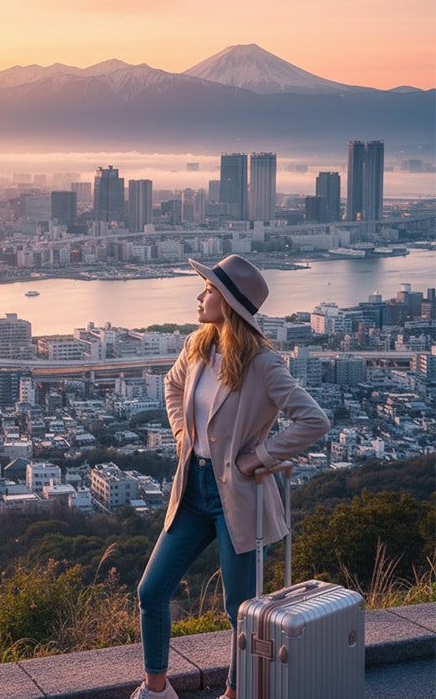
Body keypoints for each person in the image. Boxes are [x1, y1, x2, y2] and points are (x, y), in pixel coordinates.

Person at [130, 255, 330, 699]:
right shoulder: (198, 346)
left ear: (228, 303)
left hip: (237, 497)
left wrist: (257, 456)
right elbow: (172, 384)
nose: (200, 295)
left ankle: (237, 692)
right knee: (151, 590)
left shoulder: (262, 364)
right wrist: (183, 434)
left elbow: (314, 421)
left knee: (238, 611)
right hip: (193, 490)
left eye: (208, 289)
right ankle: (156, 689)